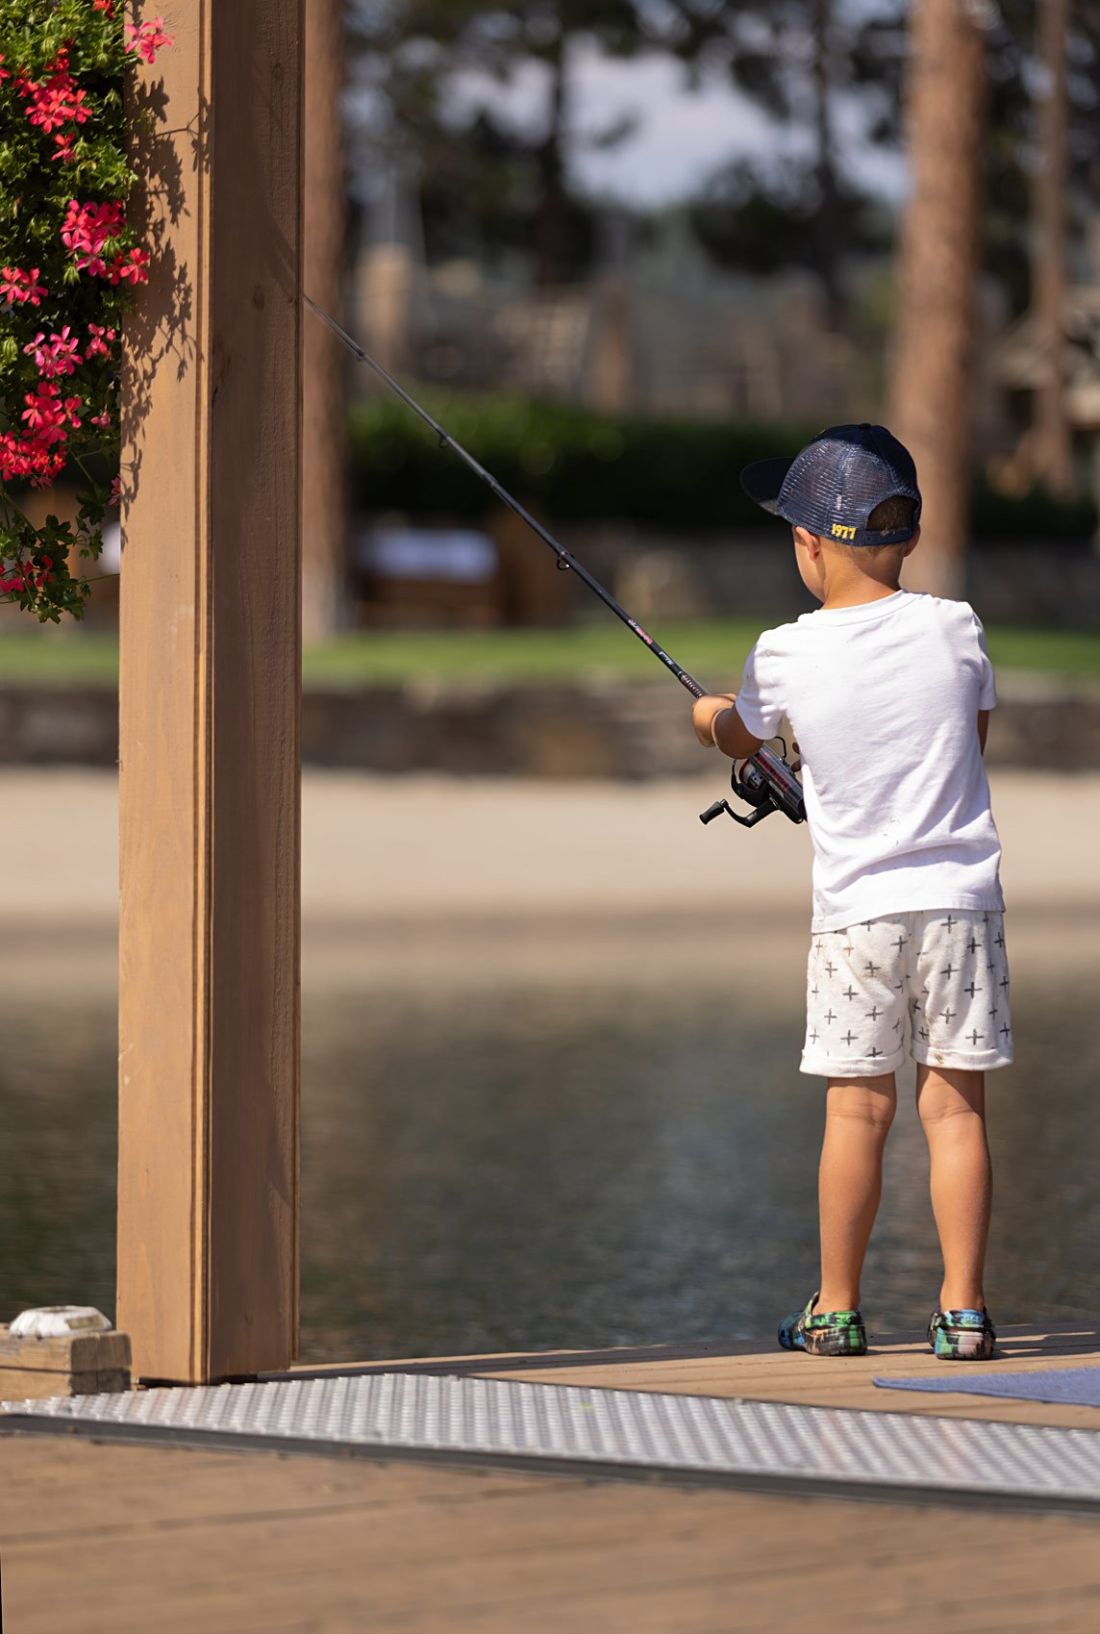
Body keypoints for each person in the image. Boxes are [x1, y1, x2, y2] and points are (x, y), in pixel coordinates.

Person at [692, 424, 1009, 1362]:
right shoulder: (958, 627)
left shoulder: (783, 653)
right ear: (907, 535)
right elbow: (969, 742)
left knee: (856, 1110)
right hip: (963, 903)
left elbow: (742, 737)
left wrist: (708, 717)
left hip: (856, 918)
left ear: (811, 543)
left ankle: (835, 1308)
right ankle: (963, 1312)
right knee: (955, 1111)